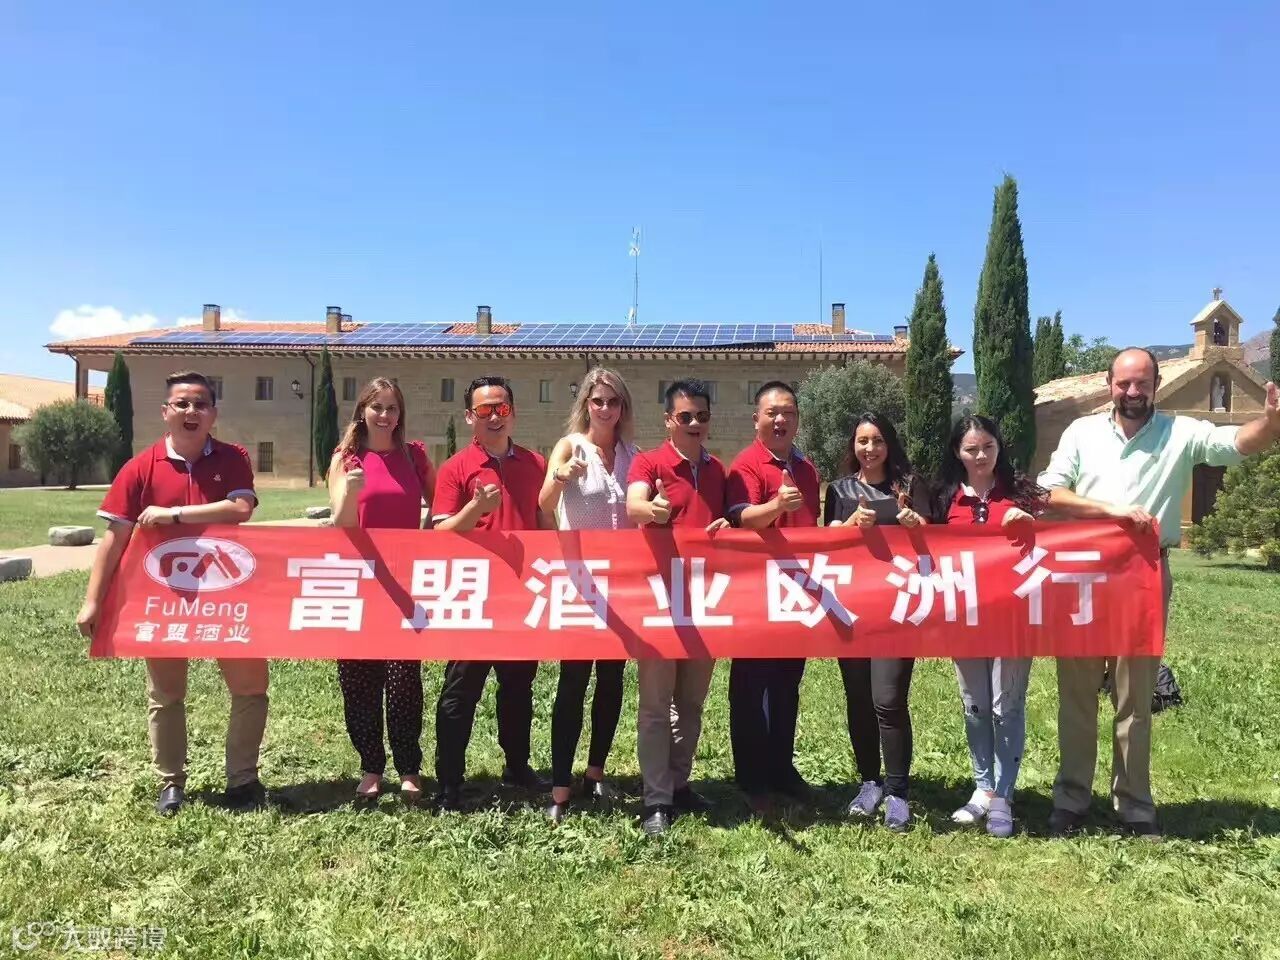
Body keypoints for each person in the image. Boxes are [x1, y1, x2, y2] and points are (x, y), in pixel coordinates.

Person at [1039, 348, 1280, 840]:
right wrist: (1111, 512)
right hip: (1082, 574)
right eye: (1124, 383)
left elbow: (1237, 442)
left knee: (1135, 696)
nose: (1133, 392)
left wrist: (1272, 424)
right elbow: (1051, 492)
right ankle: (1071, 799)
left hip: (1144, 573)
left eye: (1142, 384)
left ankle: (1134, 804)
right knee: (1077, 693)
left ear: (1156, 385)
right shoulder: (1081, 432)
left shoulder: (1181, 432)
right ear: (1109, 384)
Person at [76, 370, 266, 816]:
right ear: (166, 412)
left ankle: (243, 780)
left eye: (200, 404)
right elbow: (114, 540)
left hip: (229, 595)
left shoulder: (233, 458)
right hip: (164, 598)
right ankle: (171, 783)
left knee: (251, 689)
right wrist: (92, 601)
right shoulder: (140, 467)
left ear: (213, 414)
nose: (191, 411)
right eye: (182, 403)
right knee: (166, 693)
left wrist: (172, 514)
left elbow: (240, 508)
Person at [934, 414, 1134, 837]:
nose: (981, 456)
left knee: (1006, 706)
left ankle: (1004, 796)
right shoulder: (944, 497)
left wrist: (1113, 515)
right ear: (957, 452)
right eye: (971, 449)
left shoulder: (1022, 493)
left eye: (988, 447)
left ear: (999, 447)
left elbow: (1064, 515)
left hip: (1015, 618)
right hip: (965, 619)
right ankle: (982, 788)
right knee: (974, 706)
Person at [429, 376, 550, 812]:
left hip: (520, 595)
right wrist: (476, 509)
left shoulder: (536, 464)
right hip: (474, 597)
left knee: (518, 689)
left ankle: (517, 766)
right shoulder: (456, 468)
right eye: (484, 410)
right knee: (460, 692)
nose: (494, 416)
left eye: (502, 408)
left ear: (513, 412)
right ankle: (449, 783)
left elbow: (545, 523)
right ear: (469, 417)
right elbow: (440, 532)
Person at [626, 378, 731, 836]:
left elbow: (728, 522)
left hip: (706, 600)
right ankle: (656, 799)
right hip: (659, 600)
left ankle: (679, 783)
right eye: (685, 416)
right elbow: (634, 505)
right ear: (668, 420)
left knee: (691, 702)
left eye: (701, 417)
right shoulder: (648, 463)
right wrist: (654, 510)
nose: (694, 424)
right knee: (655, 704)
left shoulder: (718, 470)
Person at [823, 412, 933, 832]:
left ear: (890, 444)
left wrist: (914, 524)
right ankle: (869, 782)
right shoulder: (839, 490)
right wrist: (853, 523)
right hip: (850, 609)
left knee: (888, 700)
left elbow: (936, 538)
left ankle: (898, 792)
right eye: (862, 441)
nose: (869, 449)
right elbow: (827, 545)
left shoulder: (909, 486)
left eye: (878, 441)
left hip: (896, 609)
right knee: (858, 699)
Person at [327, 377, 435, 805]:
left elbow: (440, 507)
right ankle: (371, 766)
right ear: (362, 411)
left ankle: (409, 768)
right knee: (358, 680)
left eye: (392, 408)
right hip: (356, 582)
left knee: (404, 679)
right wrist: (351, 493)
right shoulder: (346, 458)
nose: (385, 415)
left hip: (404, 582)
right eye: (377, 407)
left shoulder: (414, 455)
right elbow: (340, 522)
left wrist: (427, 539)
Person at [537, 367, 639, 823]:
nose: (605, 409)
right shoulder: (570, 446)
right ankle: (560, 786)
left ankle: (595, 772)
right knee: (573, 682)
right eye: (598, 400)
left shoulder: (633, 455)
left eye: (613, 402)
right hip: (579, 582)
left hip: (622, 582)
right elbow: (543, 503)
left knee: (612, 681)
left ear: (622, 408)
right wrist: (560, 476)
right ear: (586, 404)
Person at [725, 381, 821, 814]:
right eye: (772, 413)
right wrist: (776, 506)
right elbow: (741, 518)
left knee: (787, 686)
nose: (780, 419)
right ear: (756, 420)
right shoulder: (745, 465)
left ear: (797, 419)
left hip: (797, 595)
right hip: (756, 595)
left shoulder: (807, 468)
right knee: (751, 688)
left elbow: (814, 529)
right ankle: (752, 777)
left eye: (788, 412)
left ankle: (782, 768)